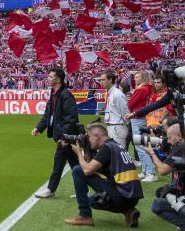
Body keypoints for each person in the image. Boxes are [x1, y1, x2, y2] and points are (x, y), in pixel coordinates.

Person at [64, 122, 143, 227]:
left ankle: (85, 216)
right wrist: (87, 149)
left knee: (78, 171)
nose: (88, 140)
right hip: (133, 197)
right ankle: (129, 211)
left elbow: (87, 171)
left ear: (97, 136)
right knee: (90, 175)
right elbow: (96, 169)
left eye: (89, 137)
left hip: (122, 195)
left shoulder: (107, 148)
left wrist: (78, 152)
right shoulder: (116, 146)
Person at [32, 68, 81, 199]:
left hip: (65, 137)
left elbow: (71, 118)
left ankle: (50, 189)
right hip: (63, 136)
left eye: (50, 76)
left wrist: (64, 137)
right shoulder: (54, 94)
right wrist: (39, 128)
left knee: (58, 163)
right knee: (76, 164)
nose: (48, 78)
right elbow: (48, 114)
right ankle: (86, 189)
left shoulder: (65, 95)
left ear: (58, 79)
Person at [126, 74, 176, 183]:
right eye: (155, 82)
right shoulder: (155, 94)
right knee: (147, 146)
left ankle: (150, 172)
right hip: (152, 123)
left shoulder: (169, 94)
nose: (156, 84)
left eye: (159, 82)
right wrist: (136, 113)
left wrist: (161, 121)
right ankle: (147, 171)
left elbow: (166, 108)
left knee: (162, 148)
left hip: (167, 125)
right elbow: (154, 105)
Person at [147, 123, 185, 229]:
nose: (169, 141)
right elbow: (166, 162)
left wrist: (152, 153)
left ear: (179, 136)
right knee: (161, 191)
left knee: (158, 204)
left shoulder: (180, 147)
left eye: (170, 138)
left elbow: (162, 170)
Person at [125, 71, 156, 179]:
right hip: (139, 118)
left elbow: (130, 103)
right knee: (140, 146)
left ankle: (150, 173)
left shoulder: (142, 89)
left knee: (141, 146)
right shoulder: (146, 88)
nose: (135, 79)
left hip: (138, 118)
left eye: (137, 77)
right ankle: (145, 170)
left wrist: (131, 100)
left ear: (143, 78)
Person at [99, 71, 130, 147]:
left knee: (119, 153)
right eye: (100, 80)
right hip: (111, 127)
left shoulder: (117, 94)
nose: (101, 82)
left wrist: (126, 124)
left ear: (110, 80)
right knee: (113, 153)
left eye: (103, 80)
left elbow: (125, 112)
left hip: (118, 127)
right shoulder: (111, 93)